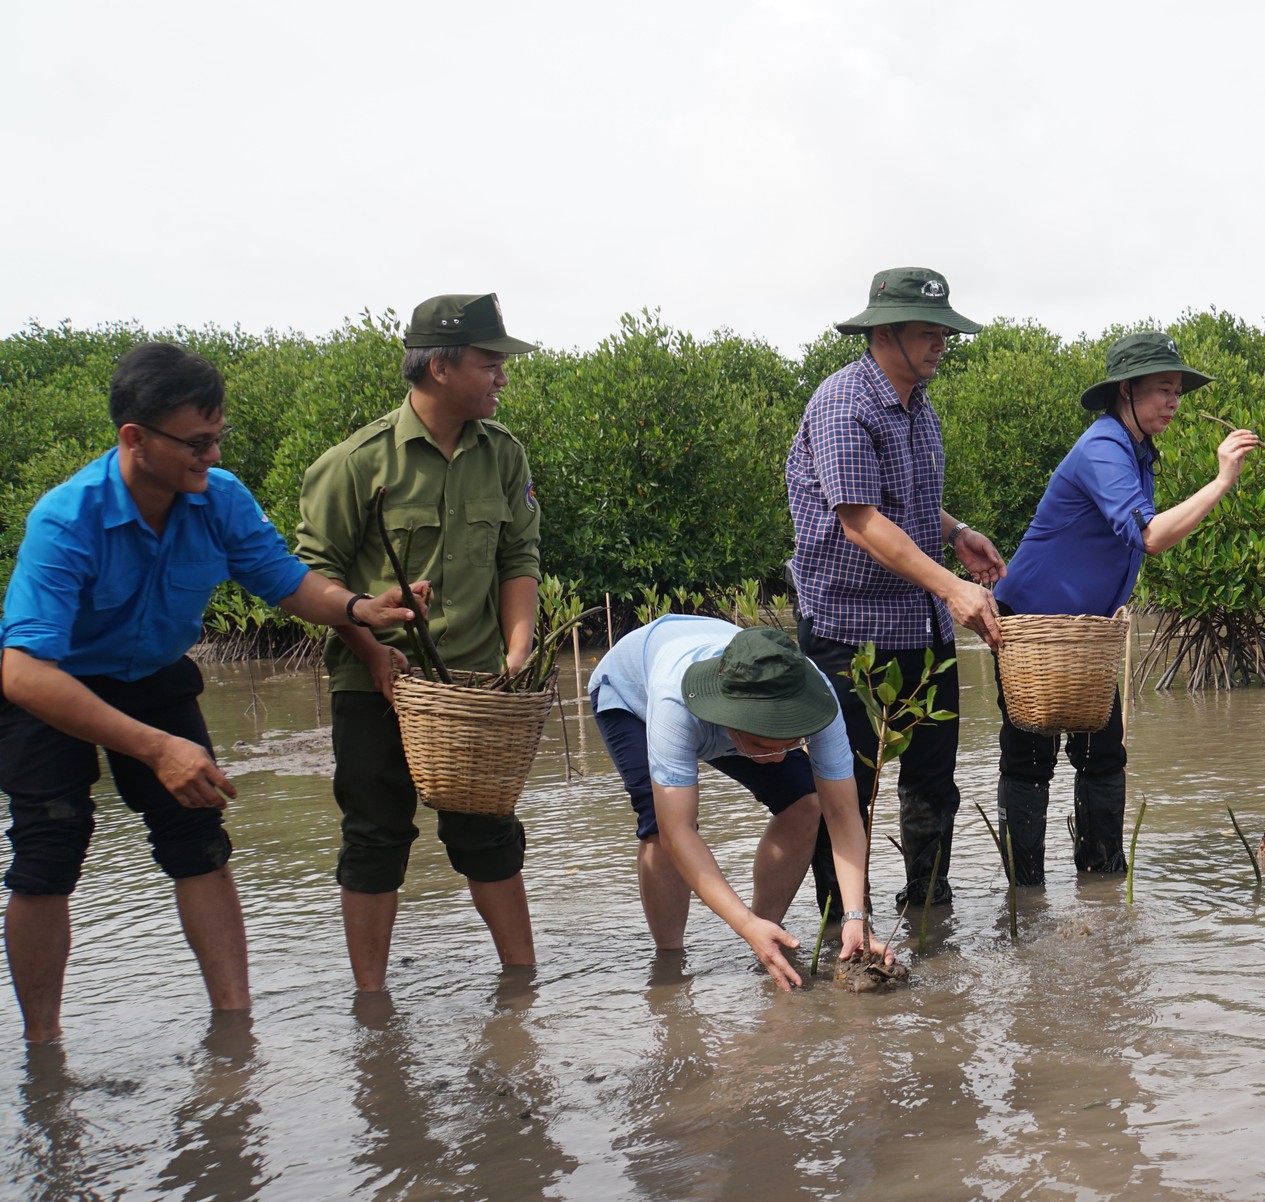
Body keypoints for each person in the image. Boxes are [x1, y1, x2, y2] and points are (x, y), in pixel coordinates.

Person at [0, 342, 421, 1042]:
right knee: (48, 852)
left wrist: (358, 611)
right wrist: (155, 746)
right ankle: (45, 1049)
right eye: (197, 443)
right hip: (58, 685)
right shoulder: (66, 519)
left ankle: (235, 1026)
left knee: (199, 839)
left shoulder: (218, 499)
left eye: (217, 437)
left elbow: (285, 581)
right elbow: (21, 673)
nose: (213, 457)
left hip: (155, 676)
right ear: (135, 439)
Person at [294, 293, 544, 993]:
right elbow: (314, 577)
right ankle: (371, 1003)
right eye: (490, 363)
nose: (502, 377)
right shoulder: (354, 463)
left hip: (473, 691)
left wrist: (515, 655)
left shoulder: (503, 454)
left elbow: (518, 560)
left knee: (488, 836)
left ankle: (522, 988)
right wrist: (373, 650)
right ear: (439, 367)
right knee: (375, 838)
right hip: (377, 683)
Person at [990, 331, 1258, 884]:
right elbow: (1151, 536)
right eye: (1163, 389)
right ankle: (1026, 894)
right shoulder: (1103, 445)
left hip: (1086, 631)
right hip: (1034, 627)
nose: (1174, 402)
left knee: (1103, 755)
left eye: (1178, 391)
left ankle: (1104, 884)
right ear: (1126, 391)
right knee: (1030, 760)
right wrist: (1222, 480)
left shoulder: (1137, 452)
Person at [784, 267, 1005, 915]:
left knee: (934, 784)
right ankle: (843, 931)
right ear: (885, 333)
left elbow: (904, 503)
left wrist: (957, 531)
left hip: (921, 627)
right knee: (846, 787)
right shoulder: (842, 403)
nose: (941, 345)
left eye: (944, 334)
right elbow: (859, 521)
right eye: (928, 333)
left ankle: (930, 922)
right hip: (847, 630)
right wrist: (953, 588)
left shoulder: (919, 403)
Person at [589, 617, 888, 987]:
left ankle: (768, 934)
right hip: (630, 697)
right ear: (729, 721)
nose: (780, 757)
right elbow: (677, 831)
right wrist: (741, 922)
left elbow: (842, 813)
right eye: (766, 746)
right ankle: (670, 962)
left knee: (805, 802)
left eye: (790, 741)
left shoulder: (815, 693)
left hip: (738, 700)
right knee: (656, 821)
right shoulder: (673, 704)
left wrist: (855, 917)